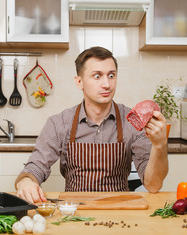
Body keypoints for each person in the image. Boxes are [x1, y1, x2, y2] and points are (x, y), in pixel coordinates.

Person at [15, 46, 168, 203]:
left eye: (111, 75)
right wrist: (26, 182)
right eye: (97, 76)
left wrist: (160, 145)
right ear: (79, 82)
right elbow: (35, 167)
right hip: (74, 211)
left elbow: (153, 185)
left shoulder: (132, 121)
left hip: (120, 210)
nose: (107, 84)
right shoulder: (59, 123)